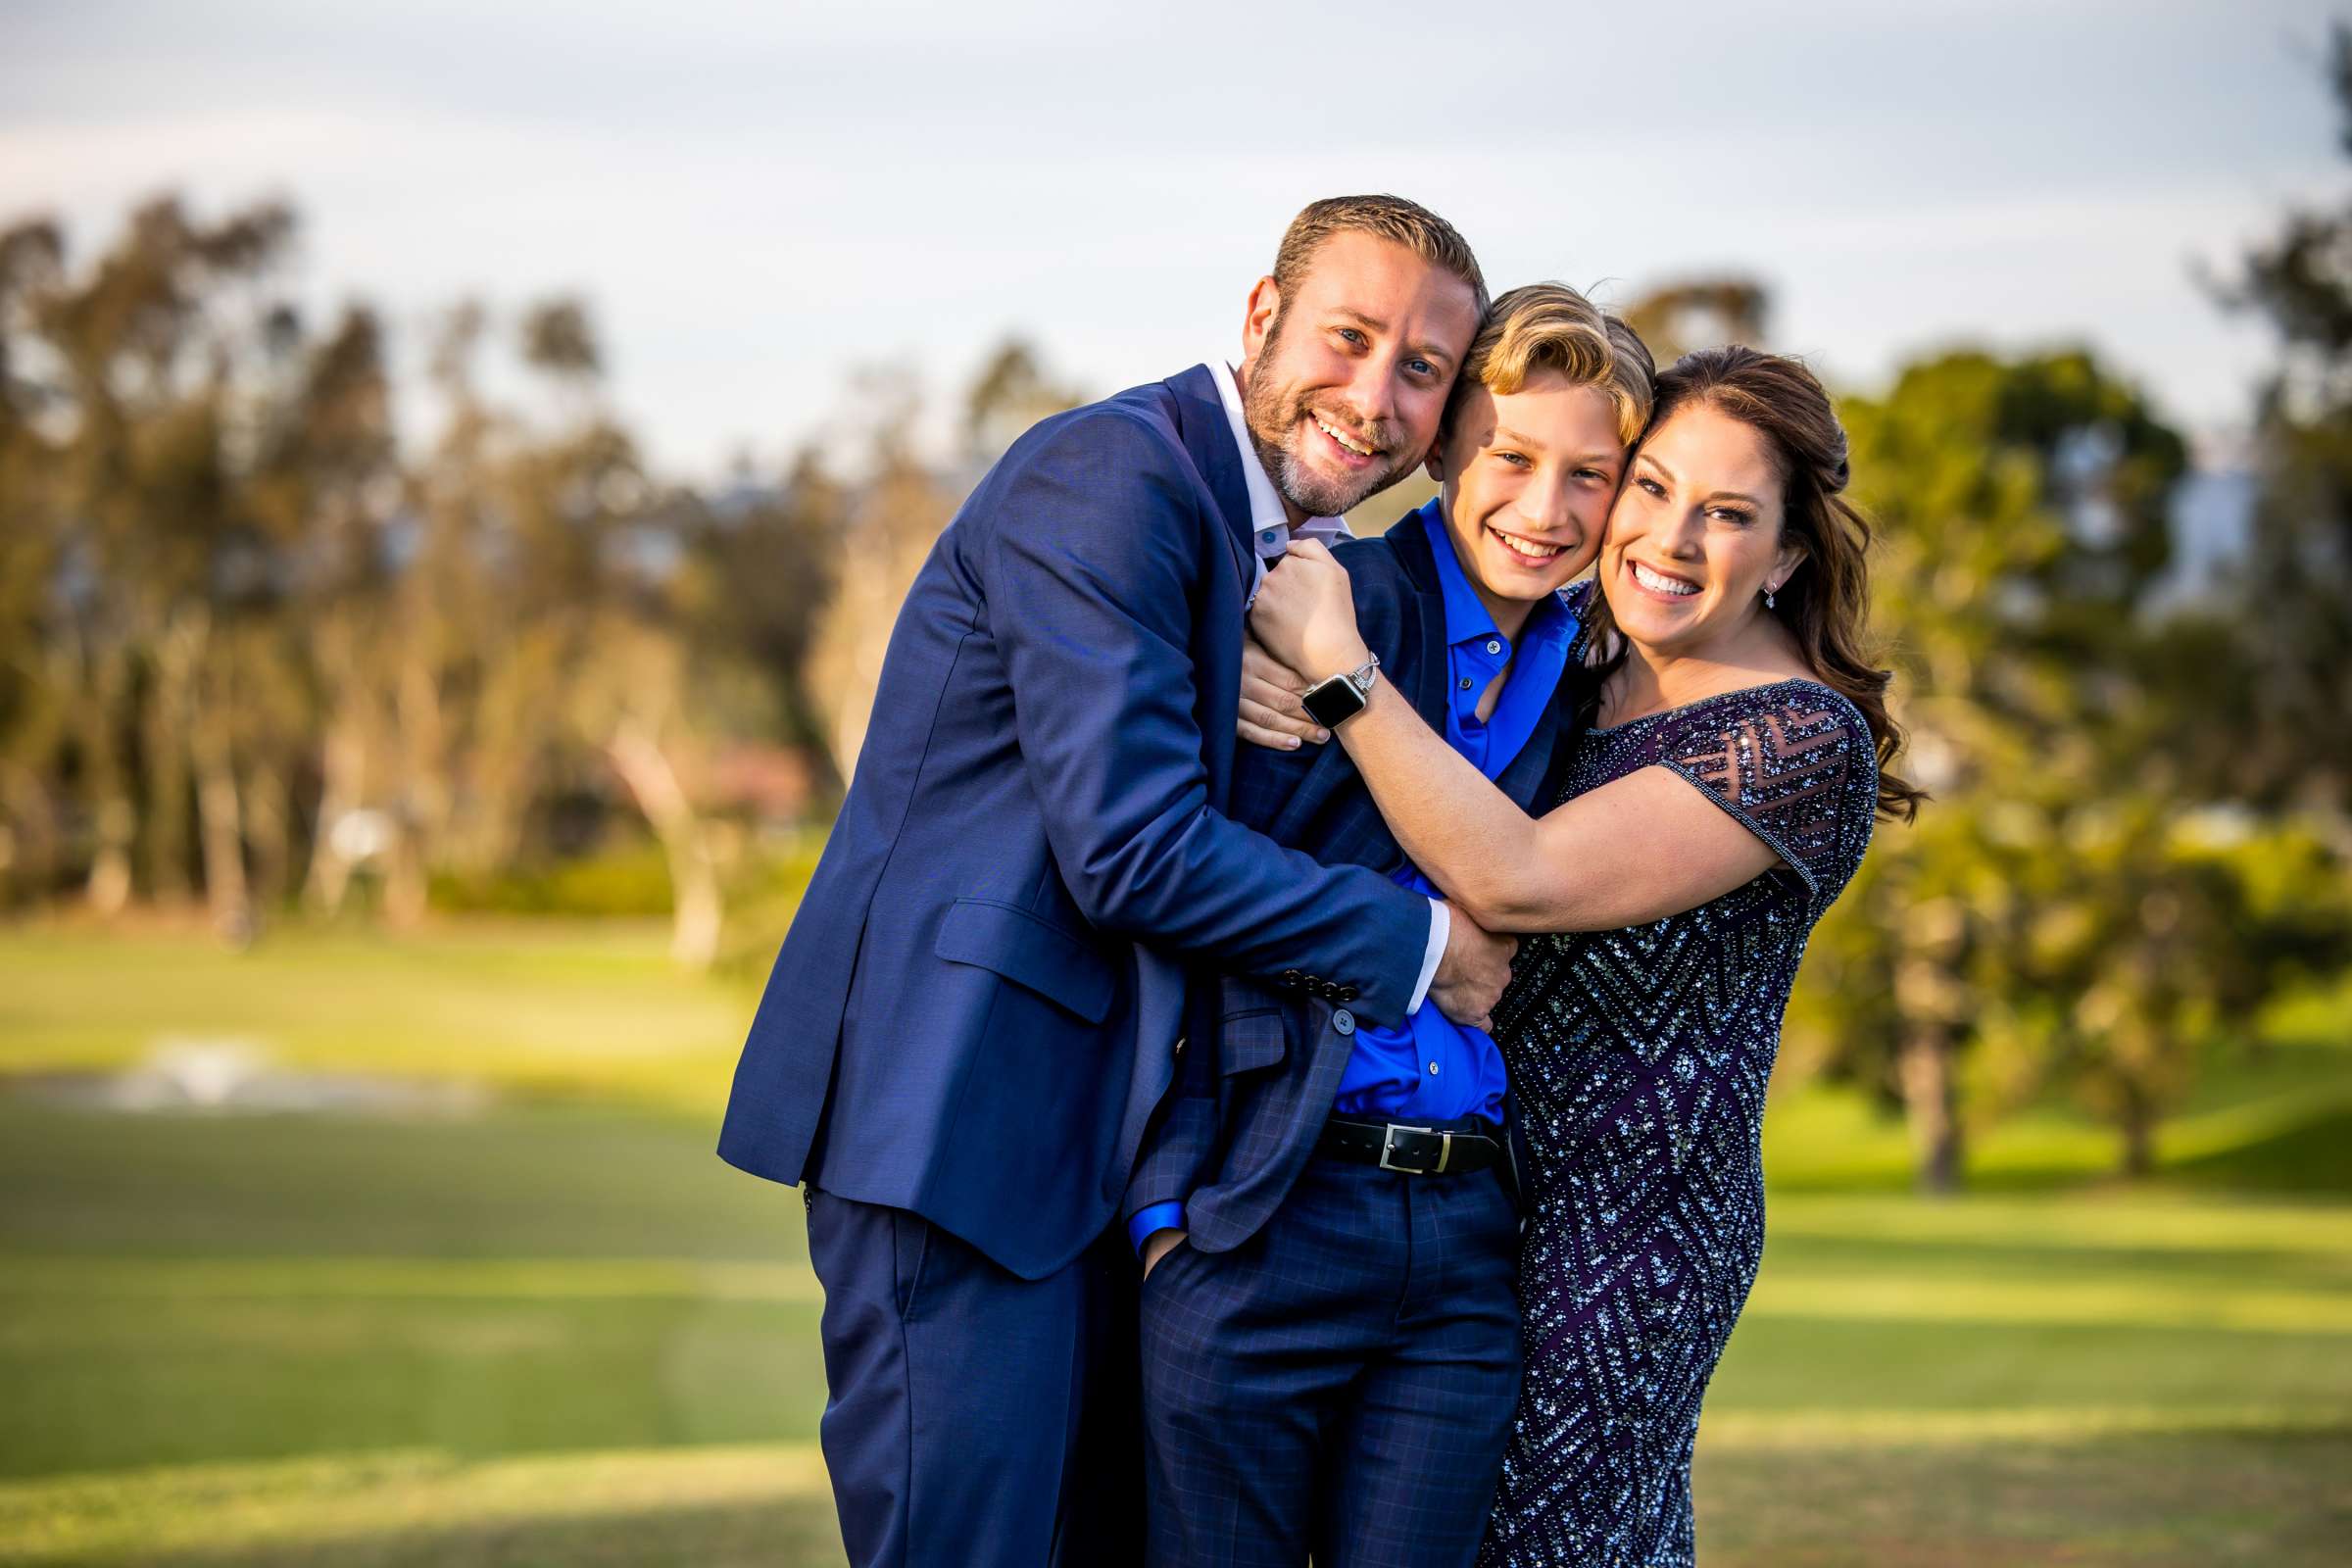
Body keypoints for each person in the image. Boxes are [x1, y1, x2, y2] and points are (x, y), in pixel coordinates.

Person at [715, 194, 1518, 1568]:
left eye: (1422, 370)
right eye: (1349, 336)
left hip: (1104, 1158)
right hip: (961, 1118)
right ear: (1261, 318)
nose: (1376, 397)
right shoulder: (1114, 479)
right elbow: (1134, 848)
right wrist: (1425, 945)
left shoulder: (1280, 549)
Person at [1250, 344, 1924, 1567]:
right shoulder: (1584, 666)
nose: (1669, 537)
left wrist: (1338, 672)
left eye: (1727, 514)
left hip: (1627, 1227)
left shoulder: (1793, 740)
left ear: (1785, 555)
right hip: (1471, 1193)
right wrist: (1265, 668)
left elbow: (1517, 875)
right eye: (1652, 488)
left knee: (1556, 1542)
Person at [1130, 283, 1653, 1568]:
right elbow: (1182, 886)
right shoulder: (1320, 604)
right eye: (1512, 457)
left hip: (1466, 1244)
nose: (1545, 509)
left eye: (1592, 476)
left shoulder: (1600, 672)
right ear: (1444, 444)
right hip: (1265, 1205)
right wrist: (1165, 1222)